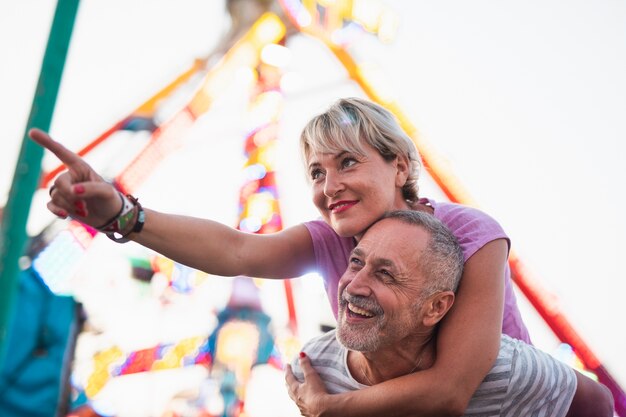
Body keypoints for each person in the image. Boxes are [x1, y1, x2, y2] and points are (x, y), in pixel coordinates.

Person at [29, 97, 539, 415]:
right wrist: (121, 214)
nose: (329, 186)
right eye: (316, 173)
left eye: (346, 164)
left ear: (400, 166)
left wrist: (329, 408)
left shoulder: (471, 233)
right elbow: (236, 249)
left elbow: (452, 391)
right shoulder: (330, 240)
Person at [287, 210, 614, 417]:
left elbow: (597, 401)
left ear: (435, 307)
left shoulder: (505, 372)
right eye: (356, 262)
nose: (354, 286)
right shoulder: (314, 368)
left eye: (386, 274)